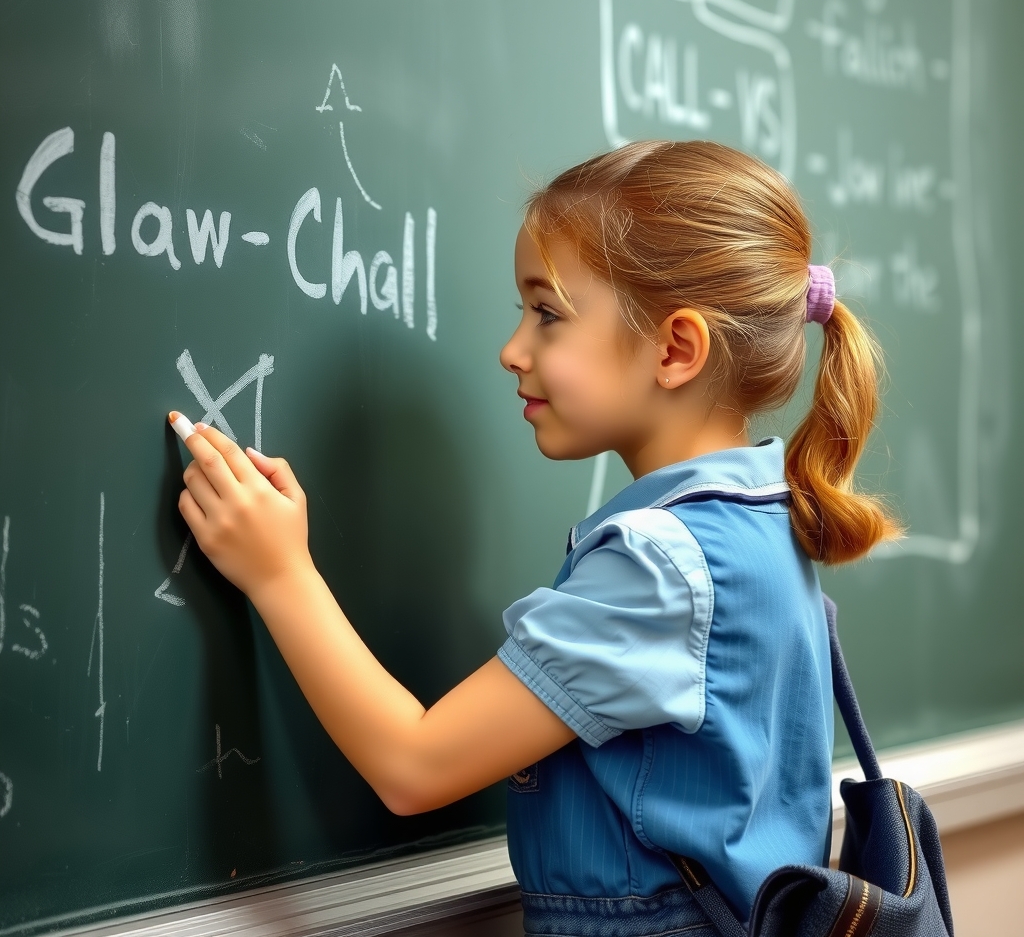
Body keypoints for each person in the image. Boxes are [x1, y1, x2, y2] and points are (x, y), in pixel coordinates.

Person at [169, 140, 900, 936]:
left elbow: (414, 766)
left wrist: (279, 573)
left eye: (547, 313)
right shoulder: (764, 520)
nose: (513, 349)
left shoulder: (663, 569)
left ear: (675, 349)